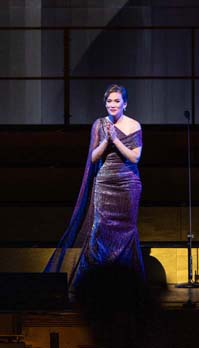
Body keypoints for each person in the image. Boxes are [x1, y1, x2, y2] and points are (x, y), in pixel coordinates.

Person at [44, 84, 145, 297]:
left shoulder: (134, 125)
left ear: (125, 104)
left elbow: (135, 157)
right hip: (105, 183)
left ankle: (126, 285)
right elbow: (92, 157)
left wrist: (116, 140)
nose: (113, 105)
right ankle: (95, 286)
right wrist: (107, 140)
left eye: (117, 101)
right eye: (109, 101)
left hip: (128, 184)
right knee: (99, 231)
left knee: (126, 232)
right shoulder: (99, 125)